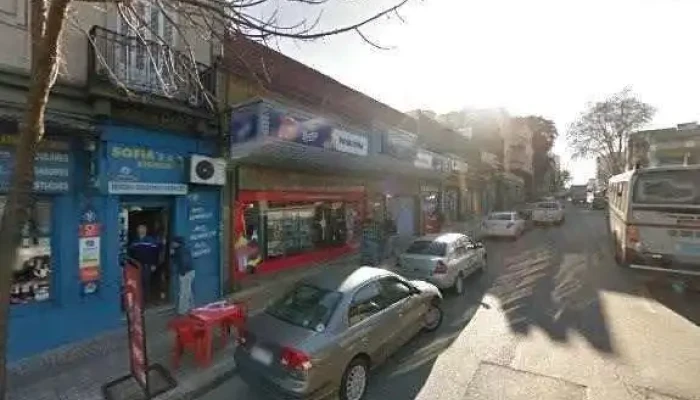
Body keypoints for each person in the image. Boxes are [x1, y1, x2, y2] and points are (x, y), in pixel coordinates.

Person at [128, 224, 161, 303]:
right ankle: (138, 300)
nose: (141, 230)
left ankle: (146, 300)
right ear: (137, 230)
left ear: (146, 230)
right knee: (137, 283)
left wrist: (154, 264)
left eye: (143, 229)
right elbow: (130, 254)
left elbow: (155, 253)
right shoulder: (134, 241)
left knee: (146, 282)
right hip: (136, 266)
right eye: (140, 229)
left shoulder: (151, 240)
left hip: (147, 265)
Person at [171, 236, 195, 315]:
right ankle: (192, 308)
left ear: (177, 243)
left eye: (173, 242)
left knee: (184, 292)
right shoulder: (180, 249)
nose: (172, 244)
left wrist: (182, 272)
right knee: (188, 291)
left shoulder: (181, 250)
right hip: (189, 272)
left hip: (186, 272)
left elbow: (184, 261)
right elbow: (176, 260)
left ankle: (182, 311)